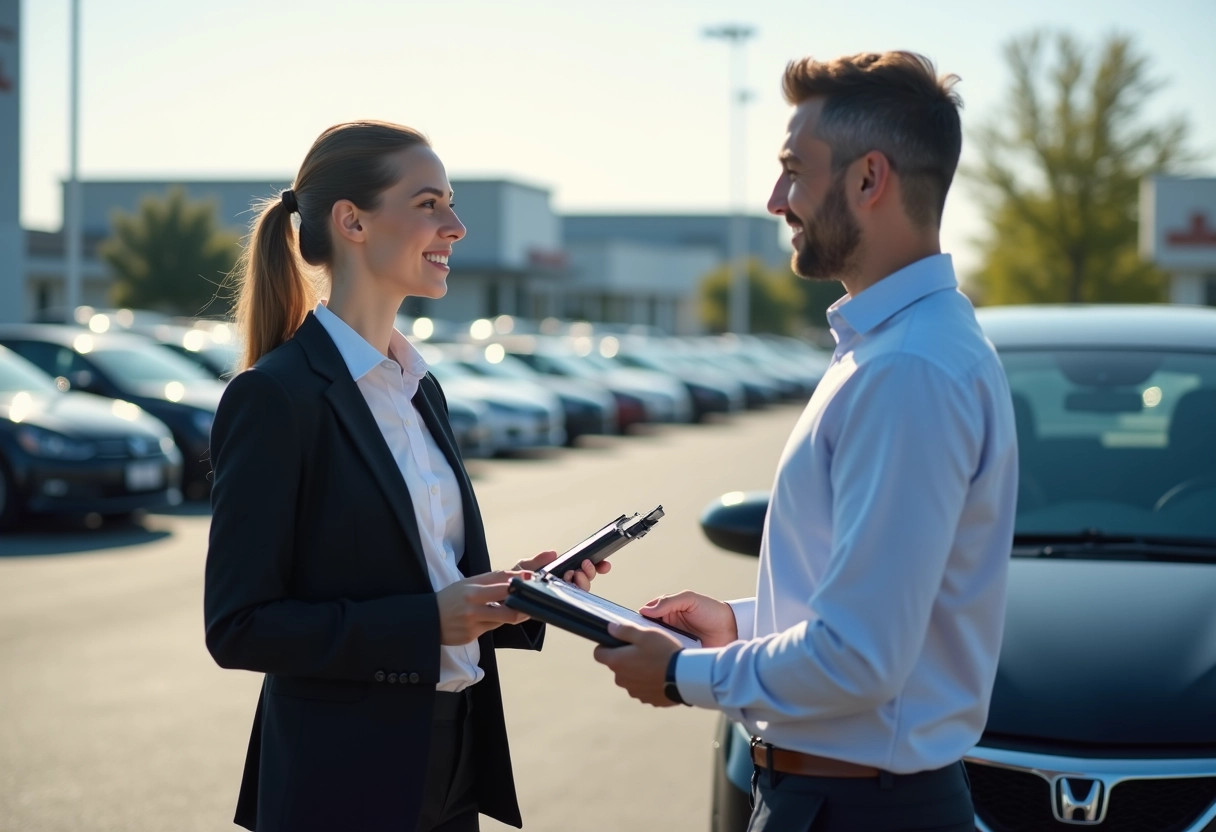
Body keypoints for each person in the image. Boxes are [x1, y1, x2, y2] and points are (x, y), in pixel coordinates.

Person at [593, 52, 1018, 832]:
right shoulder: (893, 349)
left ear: (868, 179)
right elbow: (879, 614)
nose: (775, 198)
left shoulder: (907, 369)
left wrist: (686, 672)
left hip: (859, 809)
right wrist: (740, 623)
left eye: (794, 170)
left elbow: (859, 658)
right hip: (848, 800)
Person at [203, 121, 608, 832]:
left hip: (451, 762)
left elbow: (424, 574)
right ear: (352, 221)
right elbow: (239, 627)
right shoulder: (276, 397)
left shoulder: (419, 388)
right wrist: (430, 620)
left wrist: (509, 598)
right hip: (340, 785)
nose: (454, 226)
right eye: (429, 203)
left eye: (449, 203)